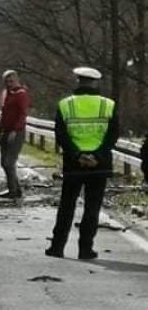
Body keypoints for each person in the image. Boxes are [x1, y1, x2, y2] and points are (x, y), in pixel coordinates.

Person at [45, 67, 119, 260]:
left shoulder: (65, 105)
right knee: (92, 208)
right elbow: (112, 136)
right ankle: (85, 249)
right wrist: (97, 156)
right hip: (99, 165)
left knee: (67, 206)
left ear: (78, 82)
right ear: (95, 83)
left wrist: (78, 155)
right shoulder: (108, 104)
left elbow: (60, 135)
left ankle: (57, 247)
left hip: (73, 164)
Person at [0, 70, 30, 198]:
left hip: (16, 132)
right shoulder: (7, 93)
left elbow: (22, 114)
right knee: (3, 162)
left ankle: (13, 190)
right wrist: (0, 129)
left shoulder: (21, 94)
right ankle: (16, 188)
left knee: (9, 162)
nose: (9, 84)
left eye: (11, 81)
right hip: (5, 130)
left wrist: (15, 131)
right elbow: (4, 113)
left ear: (17, 80)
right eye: (7, 81)